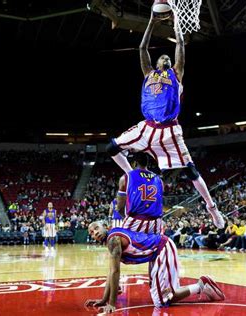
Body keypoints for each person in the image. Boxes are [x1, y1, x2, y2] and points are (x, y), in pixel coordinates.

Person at [105, 11, 224, 229]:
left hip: (170, 130)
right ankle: (131, 175)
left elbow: (180, 44)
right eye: (163, 57)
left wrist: (176, 21)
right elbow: (142, 49)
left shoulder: (176, 73)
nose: (166, 58)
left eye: (168, 58)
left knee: (191, 171)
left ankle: (212, 208)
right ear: (157, 61)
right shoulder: (148, 73)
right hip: (148, 127)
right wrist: (151, 21)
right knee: (111, 147)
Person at [84, 222, 225, 314]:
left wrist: (112, 304)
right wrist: (104, 300)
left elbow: (115, 272)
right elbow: (111, 272)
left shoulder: (113, 239)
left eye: (96, 228)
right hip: (155, 254)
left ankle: (201, 286)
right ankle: (200, 286)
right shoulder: (113, 239)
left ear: (105, 226)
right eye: (91, 232)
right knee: (159, 295)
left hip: (162, 249)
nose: (94, 233)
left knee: (162, 300)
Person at [116, 152, 164, 234]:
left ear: (135, 163)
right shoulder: (159, 180)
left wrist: (127, 218)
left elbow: (120, 208)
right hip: (156, 224)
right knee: (153, 246)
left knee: (119, 242)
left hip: (135, 220)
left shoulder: (126, 177)